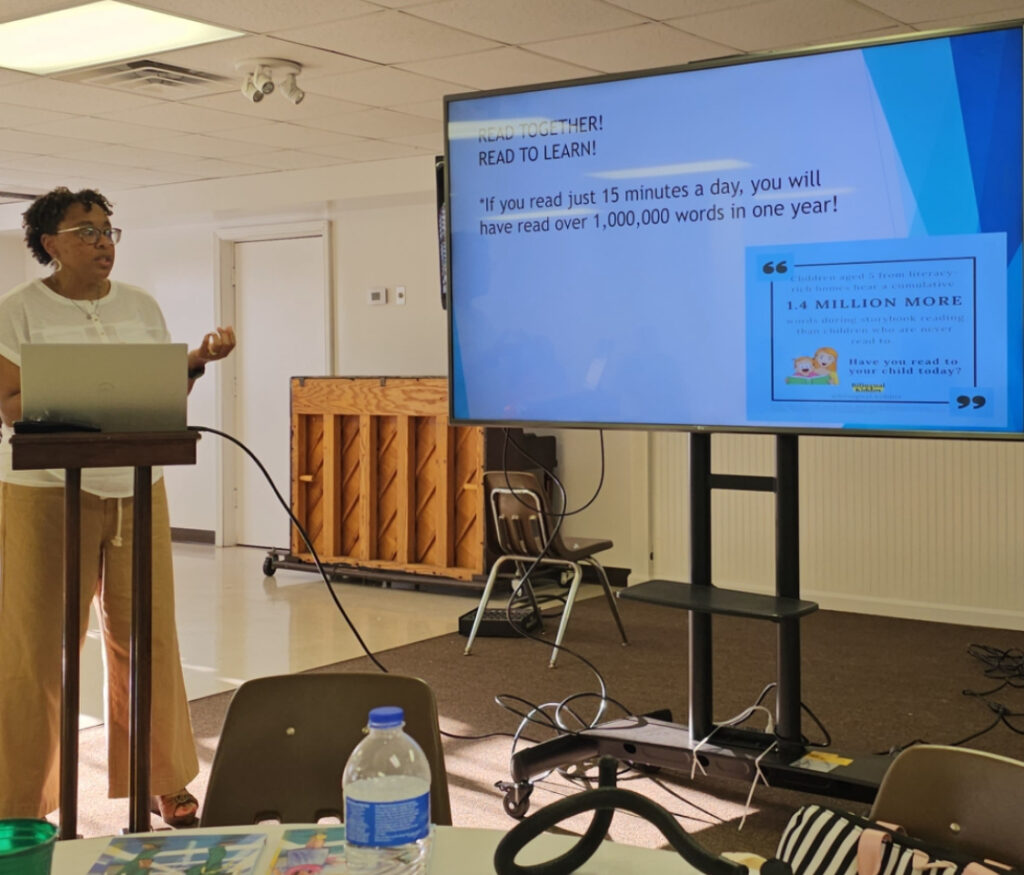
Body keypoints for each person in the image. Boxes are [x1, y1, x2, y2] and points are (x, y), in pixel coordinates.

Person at [0, 187, 235, 826]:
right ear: (50, 244)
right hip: (46, 490)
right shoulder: (16, 311)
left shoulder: (141, 305)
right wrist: (82, 397)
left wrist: (196, 362)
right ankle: (22, 800)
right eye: (87, 232)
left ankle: (163, 780)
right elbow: (12, 404)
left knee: (147, 638)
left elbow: (159, 392)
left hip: (135, 486)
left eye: (108, 231)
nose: (103, 242)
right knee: (39, 646)